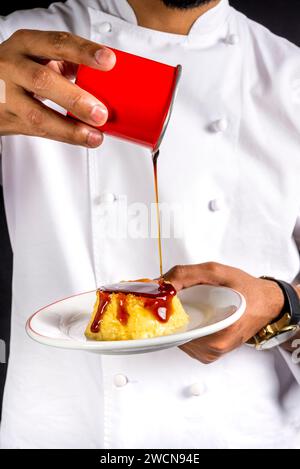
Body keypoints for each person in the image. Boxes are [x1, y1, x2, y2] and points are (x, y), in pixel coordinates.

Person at [0, 0, 300, 449]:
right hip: (62, 426)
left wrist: (283, 304)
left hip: (244, 430)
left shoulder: (290, 75)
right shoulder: (16, 49)